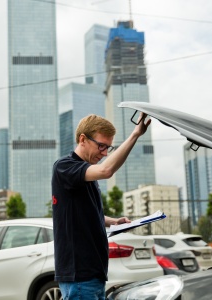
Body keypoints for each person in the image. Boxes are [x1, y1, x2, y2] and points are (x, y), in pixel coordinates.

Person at [52, 112, 151, 300]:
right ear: (83, 139)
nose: (105, 153)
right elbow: (107, 170)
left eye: (108, 148)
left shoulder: (87, 175)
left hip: (93, 273)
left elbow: (87, 213)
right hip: (80, 275)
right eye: (101, 146)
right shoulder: (65, 167)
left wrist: (115, 222)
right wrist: (135, 134)